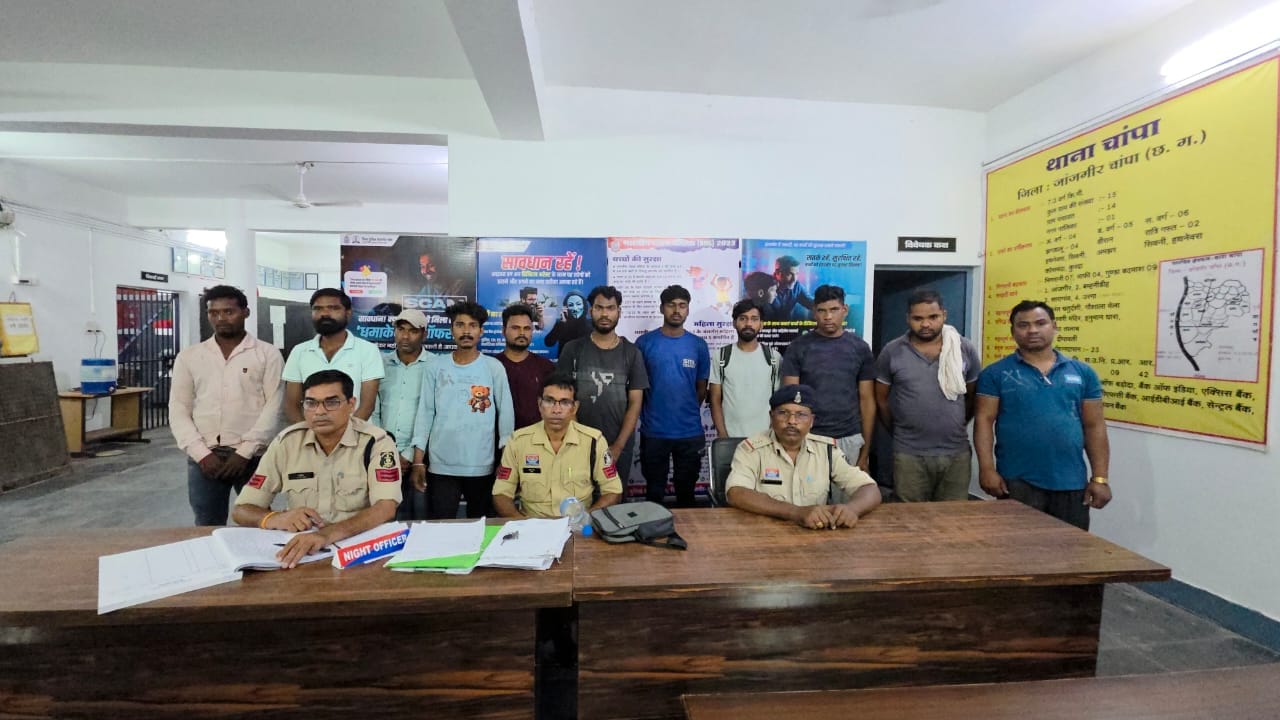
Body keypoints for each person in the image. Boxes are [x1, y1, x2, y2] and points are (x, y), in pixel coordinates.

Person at [231, 370, 401, 568]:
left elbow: (385, 508)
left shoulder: (376, 442)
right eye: (311, 403)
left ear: (351, 404)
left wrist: (326, 535)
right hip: (302, 552)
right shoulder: (287, 443)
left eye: (331, 402)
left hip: (359, 550)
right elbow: (241, 510)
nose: (319, 411)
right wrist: (275, 518)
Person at [974, 300, 1111, 530]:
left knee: (1070, 548)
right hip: (1016, 480)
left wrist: (1100, 478)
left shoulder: (1083, 373)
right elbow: (984, 421)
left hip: (1071, 481)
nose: (1032, 330)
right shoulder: (995, 373)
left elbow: (1094, 425)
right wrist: (987, 469)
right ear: (1013, 331)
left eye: (1040, 323)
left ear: (1054, 326)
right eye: (1023, 325)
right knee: (1018, 547)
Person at [170, 285, 283, 526]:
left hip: (253, 458)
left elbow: (273, 407)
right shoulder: (190, 357)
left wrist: (244, 452)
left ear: (246, 312)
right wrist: (201, 454)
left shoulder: (267, 354)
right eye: (214, 312)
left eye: (229, 312)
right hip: (205, 458)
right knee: (207, 524)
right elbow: (179, 409)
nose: (221, 318)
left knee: (259, 522)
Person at [874, 289, 982, 502]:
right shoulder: (892, 351)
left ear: (944, 315)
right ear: (908, 318)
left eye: (933, 317)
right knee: (910, 516)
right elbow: (881, 400)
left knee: (953, 516)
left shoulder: (963, 348)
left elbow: (972, 397)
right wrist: (900, 429)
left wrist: (956, 423)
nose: (925, 324)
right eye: (918, 318)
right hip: (909, 453)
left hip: (956, 452)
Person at [411, 301, 514, 519]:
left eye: (472, 325)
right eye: (460, 325)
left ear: (481, 331)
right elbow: (425, 413)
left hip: (482, 465)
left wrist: (505, 461)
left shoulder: (493, 367)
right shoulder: (435, 367)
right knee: (441, 527)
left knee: (481, 527)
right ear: (451, 329)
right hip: (441, 466)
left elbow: (506, 415)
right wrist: (418, 460)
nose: (466, 331)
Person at [726, 384, 881, 529]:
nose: (792, 421)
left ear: (812, 421)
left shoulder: (826, 450)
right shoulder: (751, 449)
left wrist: (852, 509)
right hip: (764, 533)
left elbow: (869, 489)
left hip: (815, 535)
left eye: (801, 415)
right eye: (783, 413)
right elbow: (736, 493)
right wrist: (795, 512)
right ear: (771, 417)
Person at [493, 372, 622, 519]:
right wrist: (523, 524)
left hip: (577, 526)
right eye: (549, 401)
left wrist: (587, 519)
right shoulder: (518, 441)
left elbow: (613, 491)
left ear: (575, 407)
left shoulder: (593, 441)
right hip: (533, 525)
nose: (556, 410)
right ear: (539, 404)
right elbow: (501, 493)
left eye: (565, 402)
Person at [556, 285, 649, 488]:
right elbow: (563, 399)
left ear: (619, 312)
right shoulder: (573, 349)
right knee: (577, 499)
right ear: (591, 311)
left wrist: (618, 447)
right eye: (599, 308)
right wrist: (579, 442)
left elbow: (635, 403)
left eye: (610, 308)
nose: (605, 314)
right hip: (575, 444)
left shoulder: (632, 353)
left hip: (618, 446)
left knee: (614, 500)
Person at [780, 285, 876, 476]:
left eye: (834, 310)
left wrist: (865, 451)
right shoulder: (798, 347)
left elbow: (867, 400)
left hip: (849, 437)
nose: (828, 317)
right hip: (809, 437)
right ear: (814, 312)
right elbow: (791, 400)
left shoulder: (860, 348)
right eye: (822, 310)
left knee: (847, 495)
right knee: (808, 494)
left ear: (845, 310)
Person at [635, 285, 711, 507]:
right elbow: (638, 388)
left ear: (688, 309)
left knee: (686, 495)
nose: (677, 310)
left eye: (682, 305)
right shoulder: (644, 343)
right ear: (662, 308)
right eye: (671, 305)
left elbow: (701, 389)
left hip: (689, 433)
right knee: (654, 493)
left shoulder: (698, 345)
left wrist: (685, 410)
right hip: (654, 432)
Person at [282, 288, 383, 423]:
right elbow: (291, 406)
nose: (324, 313)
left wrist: (345, 434)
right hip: (310, 433)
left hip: (356, 433)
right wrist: (308, 434)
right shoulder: (299, 351)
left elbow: (367, 406)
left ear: (348, 313)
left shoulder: (367, 350)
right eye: (318, 309)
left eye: (333, 308)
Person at [370, 308, 432, 520]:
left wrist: (409, 454)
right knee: (385, 518)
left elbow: (433, 414)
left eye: (413, 331)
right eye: (401, 329)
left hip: (421, 457)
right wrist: (388, 450)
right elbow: (373, 410)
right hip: (382, 454)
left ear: (424, 334)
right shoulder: (379, 364)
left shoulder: (435, 366)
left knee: (420, 520)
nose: (405, 336)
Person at [710, 299, 781, 438]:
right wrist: (723, 435)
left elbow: (779, 403)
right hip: (731, 438)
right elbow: (715, 400)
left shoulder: (774, 358)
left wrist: (772, 435)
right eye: (743, 318)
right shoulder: (722, 355)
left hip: (765, 439)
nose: (748, 323)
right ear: (734, 323)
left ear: (761, 324)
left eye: (754, 319)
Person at [494, 304, 556, 429]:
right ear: (503, 331)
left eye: (527, 328)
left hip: (536, 438)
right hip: (498, 439)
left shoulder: (546, 367)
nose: (522, 333)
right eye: (515, 328)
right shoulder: (491, 366)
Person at [544, 290, 590, 354]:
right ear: (566, 308)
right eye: (571, 305)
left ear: (584, 306)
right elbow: (548, 343)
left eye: (578, 304)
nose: (575, 308)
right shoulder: (561, 323)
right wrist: (561, 324)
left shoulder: (591, 324)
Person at [770, 255, 814, 320]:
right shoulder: (765, 286)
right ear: (777, 273)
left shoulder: (797, 286)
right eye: (789, 274)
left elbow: (812, 303)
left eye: (796, 274)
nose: (794, 279)